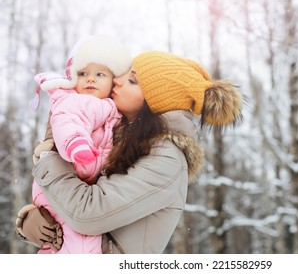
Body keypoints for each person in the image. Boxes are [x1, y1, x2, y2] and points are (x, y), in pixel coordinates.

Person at [16, 51, 243, 253]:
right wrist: (40, 218)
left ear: (154, 103)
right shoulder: (120, 137)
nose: (118, 80)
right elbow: (75, 194)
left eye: (132, 80)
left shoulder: (167, 157)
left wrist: (48, 157)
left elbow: (87, 214)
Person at [21, 35, 132, 254]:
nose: (90, 79)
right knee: (62, 240)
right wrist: (77, 146)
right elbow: (68, 125)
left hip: (85, 198)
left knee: (76, 243)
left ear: (113, 81)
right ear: (72, 77)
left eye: (99, 74)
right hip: (72, 176)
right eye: (83, 74)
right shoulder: (72, 101)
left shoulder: (116, 112)